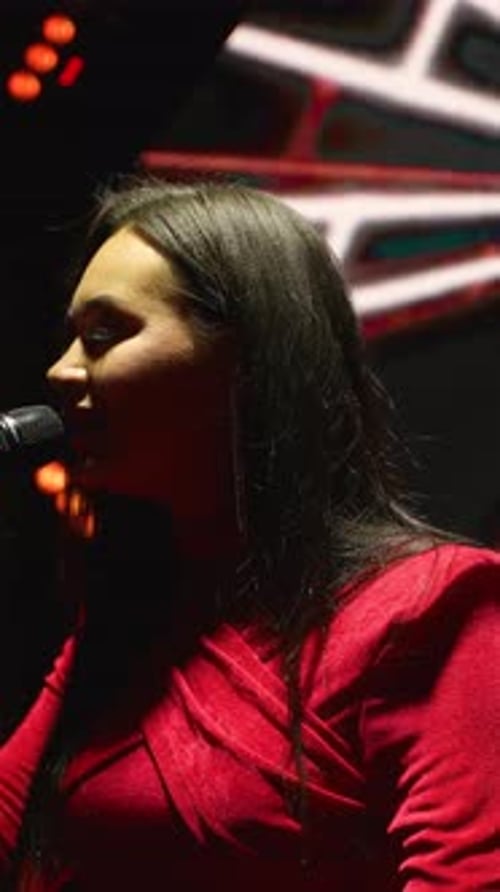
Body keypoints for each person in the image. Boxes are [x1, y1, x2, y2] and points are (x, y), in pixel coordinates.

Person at [0, 176, 498, 891]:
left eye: (105, 336)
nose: (60, 370)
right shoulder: (135, 619)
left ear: (246, 357)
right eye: (71, 337)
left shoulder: (435, 606)